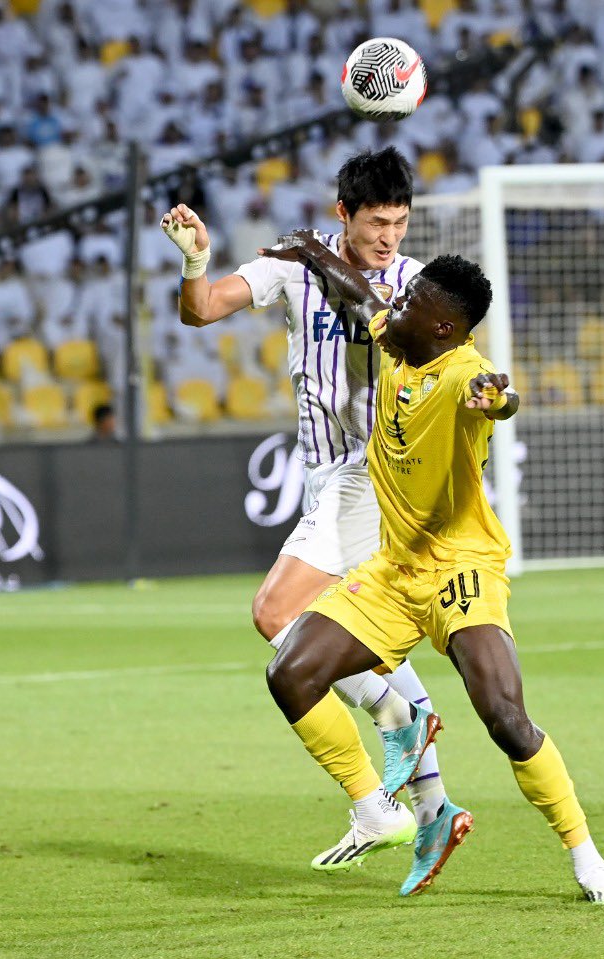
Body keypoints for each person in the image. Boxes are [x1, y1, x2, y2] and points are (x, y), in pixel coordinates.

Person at [258, 240, 604, 903]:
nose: (393, 305)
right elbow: (361, 296)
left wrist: (499, 398)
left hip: (462, 570)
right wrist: (313, 251)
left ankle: (587, 857)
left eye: (408, 302)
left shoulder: (463, 375)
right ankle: (376, 808)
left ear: (442, 327)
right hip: (395, 571)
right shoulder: (402, 342)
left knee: (505, 719)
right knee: (291, 672)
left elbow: (499, 395)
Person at [159, 148, 459, 870]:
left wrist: (324, 261)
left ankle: (379, 775)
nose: (390, 236)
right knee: (365, 642)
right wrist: (196, 262)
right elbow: (202, 310)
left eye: (400, 222)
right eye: (377, 222)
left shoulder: (411, 282)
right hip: (328, 479)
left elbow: (389, 323)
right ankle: (431, 809)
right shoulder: (291, 265)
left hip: (374, 474)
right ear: (343, 214)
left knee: (275, 614)